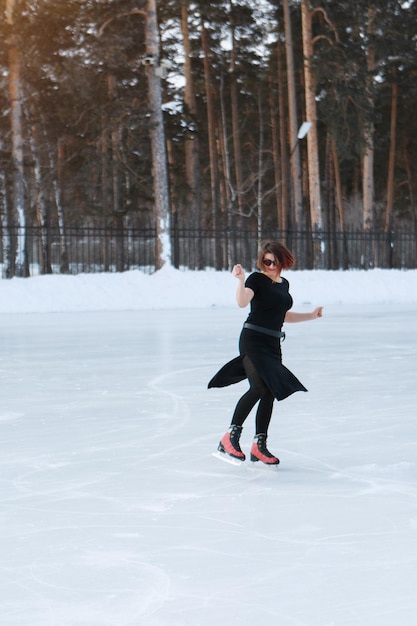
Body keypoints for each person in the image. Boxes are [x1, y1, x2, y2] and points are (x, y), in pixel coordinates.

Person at [208, 240, 323, 466]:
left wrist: (310, 315)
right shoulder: (255, 279)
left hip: (273, 344)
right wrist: (240, 281)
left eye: (274, 261)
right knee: (259, 387)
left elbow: (283, 316)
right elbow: (242, 302)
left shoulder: (283, 284)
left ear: (282, 261)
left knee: (270, 391)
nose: (270, 265)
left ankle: (259, 446)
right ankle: (230, 437)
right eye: (266, 261)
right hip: (253, 340)